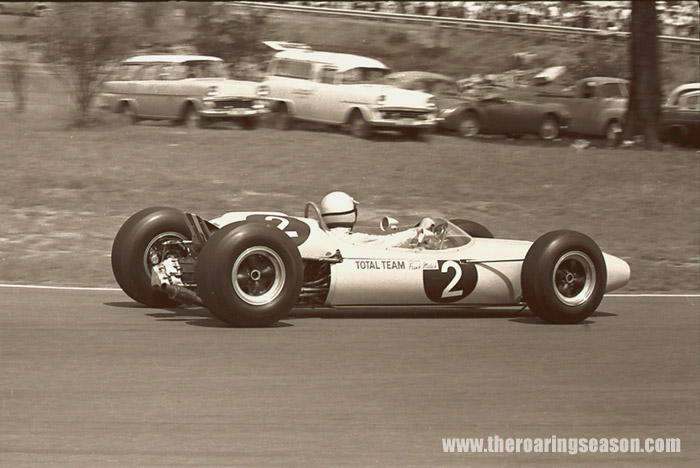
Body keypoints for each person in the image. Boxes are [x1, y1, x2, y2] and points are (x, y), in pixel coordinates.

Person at [319, 191, 440, 248]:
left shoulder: (324, 234)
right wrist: (419, 230)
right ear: (351, 214)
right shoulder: (352, 239)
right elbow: (388, 242)